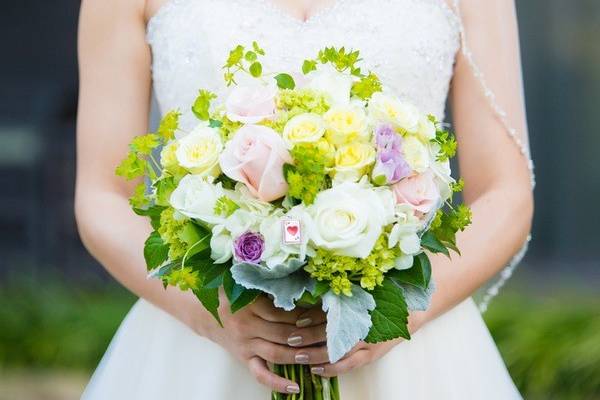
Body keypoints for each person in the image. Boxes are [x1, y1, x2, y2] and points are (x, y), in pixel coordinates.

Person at [76, 0, 534, 398]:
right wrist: (207, 312)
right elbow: (102, 196)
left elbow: (506, 194)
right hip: (203, 344)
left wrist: (402, 314)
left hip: (412, 359)